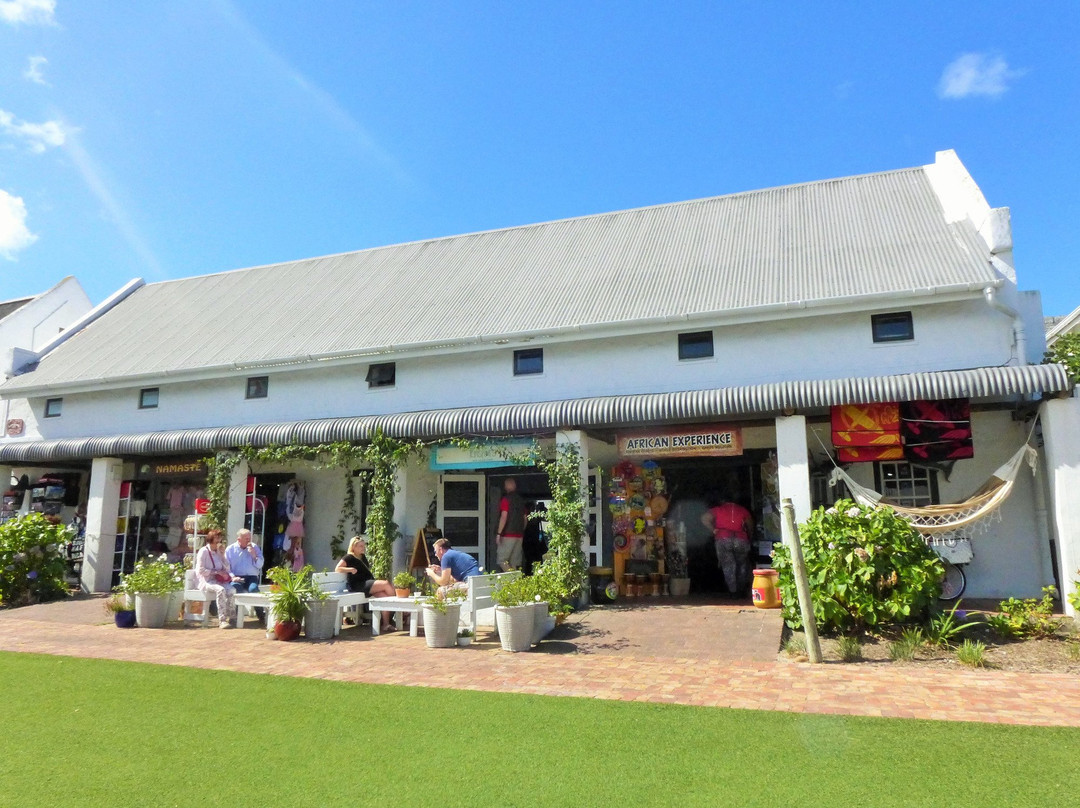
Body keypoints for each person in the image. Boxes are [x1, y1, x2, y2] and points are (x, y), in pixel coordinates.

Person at [335, 536, 395, 631]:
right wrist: (350, 569)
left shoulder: (362, 557)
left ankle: (386, 624)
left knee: (384, 596)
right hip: (358, 585)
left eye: (364, 546)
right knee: (386, 584)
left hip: (367, 583)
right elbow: (337, 568)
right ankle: (399, 607)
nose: (363, 548)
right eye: (360, 546)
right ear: (353, 547)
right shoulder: (349, 557)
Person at [701, 492, 754, 597]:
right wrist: (750, 537)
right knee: (742, 565)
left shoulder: (718, 509)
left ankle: (733, 591)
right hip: (741, 539)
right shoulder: (743, 510)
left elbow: (704, 518)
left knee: (728, 565)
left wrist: (713, 530)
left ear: (722, 501)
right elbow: (750, 525)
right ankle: (741, 590)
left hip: (723, 538)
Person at [195, 529, 237, 628]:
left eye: (220, 537)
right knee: (221, 590)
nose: (219, 539)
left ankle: (232, 617)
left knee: (232, 590)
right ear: (211, 539)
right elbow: (201, 570)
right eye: (217, 537)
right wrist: (216, 572)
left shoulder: (219, 552)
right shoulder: (203, 551)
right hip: (207, 580)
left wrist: (222, 555)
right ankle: (222, 620)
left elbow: (227, 567)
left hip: (219, 580)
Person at [495, 477, 527, 571]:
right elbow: (525, 519)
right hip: (519, 535)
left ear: (505, 487)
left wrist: (499, 533)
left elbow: (504, 517)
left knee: (501, 560)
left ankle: (513, 579)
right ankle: (516, 583)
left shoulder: (506, 500)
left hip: (507, 535)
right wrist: (522, 531)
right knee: (515, 562)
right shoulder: (521, 501)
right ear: (515, 486)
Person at [225, 528, 264, 593]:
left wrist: (254, 555)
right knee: (236, 588)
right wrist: (233, 577)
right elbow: (226, 567)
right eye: (246, 539)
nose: (248, 541)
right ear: (239, 540)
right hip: (237, 577)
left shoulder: (254, 547)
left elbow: (260, 565)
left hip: (251, 577)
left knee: (253, 589)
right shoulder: (230, 549)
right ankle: (237, 603)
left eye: (249, 538)